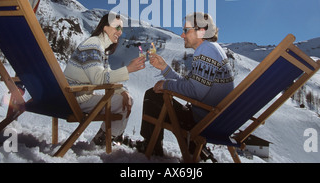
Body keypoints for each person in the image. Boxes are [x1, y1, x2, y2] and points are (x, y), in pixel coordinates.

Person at [138, 12, 234, 159]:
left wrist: (166, 85)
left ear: (201, 31)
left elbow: (194, 91)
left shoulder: (206, 50)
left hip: (201, 123)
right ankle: (193, 146)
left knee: (153, 96)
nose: (182, 36)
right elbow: (188, 84)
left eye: (185, 31)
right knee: (159, 94)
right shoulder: (212, 49)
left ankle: (152, 147)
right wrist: (164, 68)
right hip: (212, 120)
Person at [64, 13, 146, 146]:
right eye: (116, 27)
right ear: (105, 27)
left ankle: (111, 136)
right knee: (123, 103)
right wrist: (128, 69)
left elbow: (106, 76)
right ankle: (106, 139)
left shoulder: (100, 47)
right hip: (76, 98)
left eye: (121, 29)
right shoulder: (93, 44)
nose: (120, 32)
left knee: (125, 98)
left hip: (77, 95)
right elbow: (99, 78)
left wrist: (122, 90)